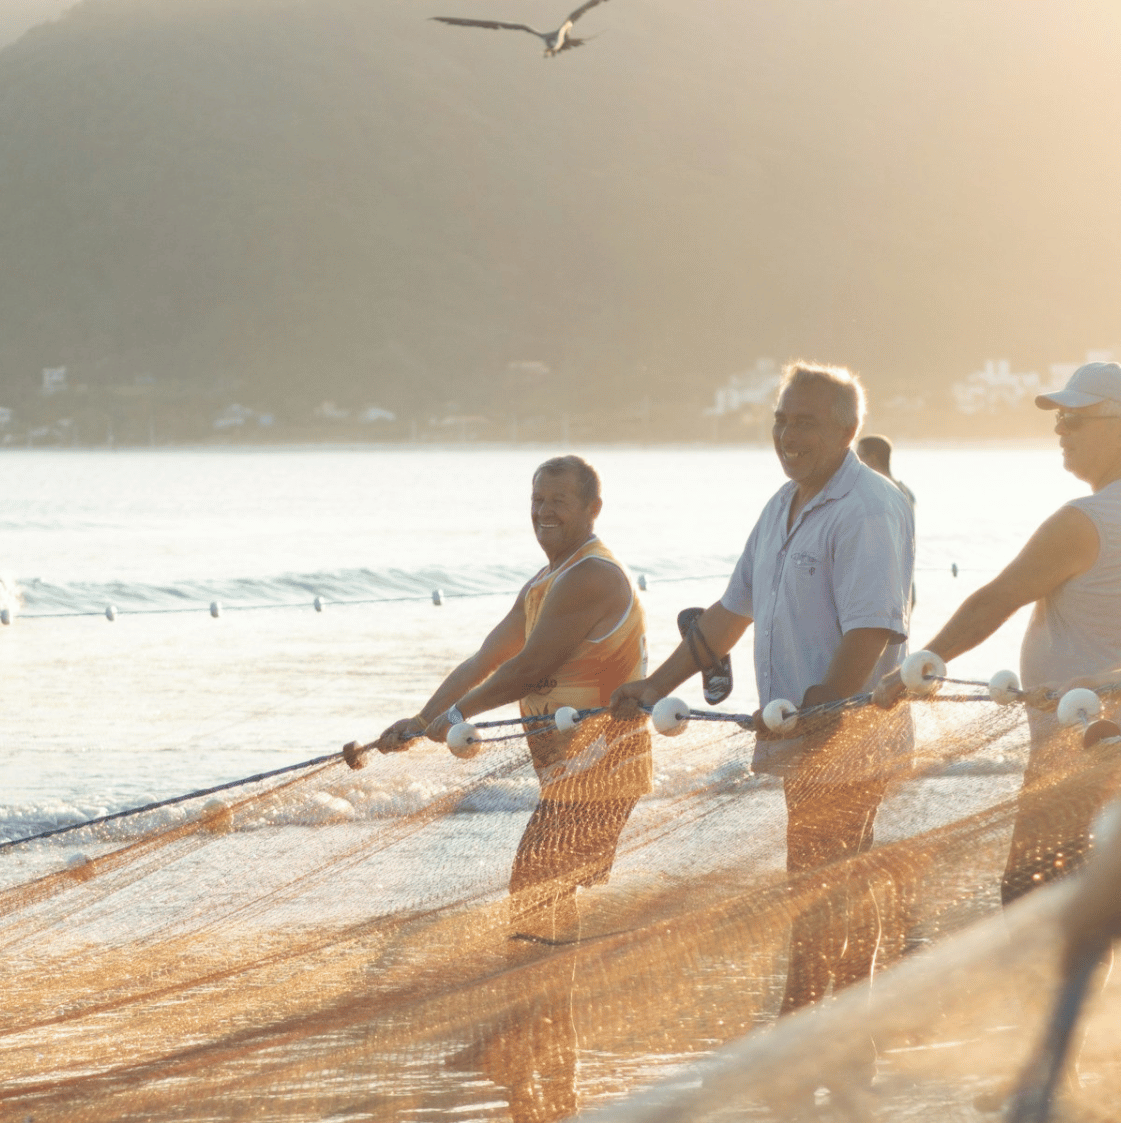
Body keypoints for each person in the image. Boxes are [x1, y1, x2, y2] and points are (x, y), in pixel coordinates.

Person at [611, 363, 915, 1014]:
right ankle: (837, 1031)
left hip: (849, 737)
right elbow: (727, 616)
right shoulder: (781, 506)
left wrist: (827, 705)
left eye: (803, 422)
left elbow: (872, 630)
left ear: (846, 430)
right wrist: (652, 685)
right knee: (830, 882)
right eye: (780, 420)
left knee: (816, 884)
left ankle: (805, 1028)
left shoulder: (868, 508)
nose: (786, 434)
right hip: (803, 734)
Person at [875, 360, 1121, 903]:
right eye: (1058, 417)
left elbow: (995, 601)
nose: (1060, 429)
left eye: (1074, 419)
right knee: (1096, 921)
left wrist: (922, 664)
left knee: (1031, 906)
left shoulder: (1086, 520)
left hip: (1075, 757)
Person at [376, 455, 650, 942]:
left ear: (593, 508)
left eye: (559, 501)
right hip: (569, 771)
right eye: (537, 500)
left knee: (535, 894)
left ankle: (543, 1010)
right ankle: (552, 1010)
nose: (544, 511)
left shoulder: (590, 575)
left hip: (603, 766)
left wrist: (459, 714)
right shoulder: (545, 581)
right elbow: (486, 659)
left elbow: (526, 670)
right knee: (544, 897)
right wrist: (422, 721)